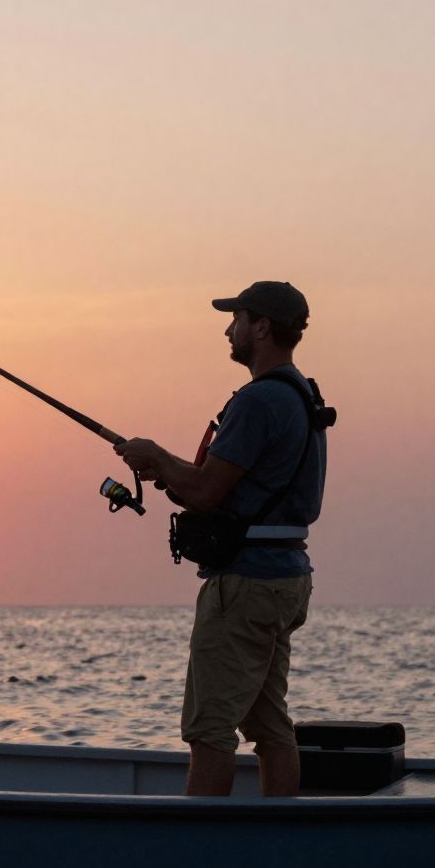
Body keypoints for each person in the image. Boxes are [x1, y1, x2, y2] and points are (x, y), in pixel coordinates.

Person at [118, 282, 330, 797]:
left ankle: (197, 855)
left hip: (245, 585)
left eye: (236, 318)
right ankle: (281, 840)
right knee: (269, 724)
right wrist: (170, 471)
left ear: (260, 327)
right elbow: (217, 490)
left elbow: (207, 490)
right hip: (285, 578)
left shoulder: (259, 401)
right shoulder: (303, 395)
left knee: (209, 729)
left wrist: (155, 454)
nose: (227, 328)